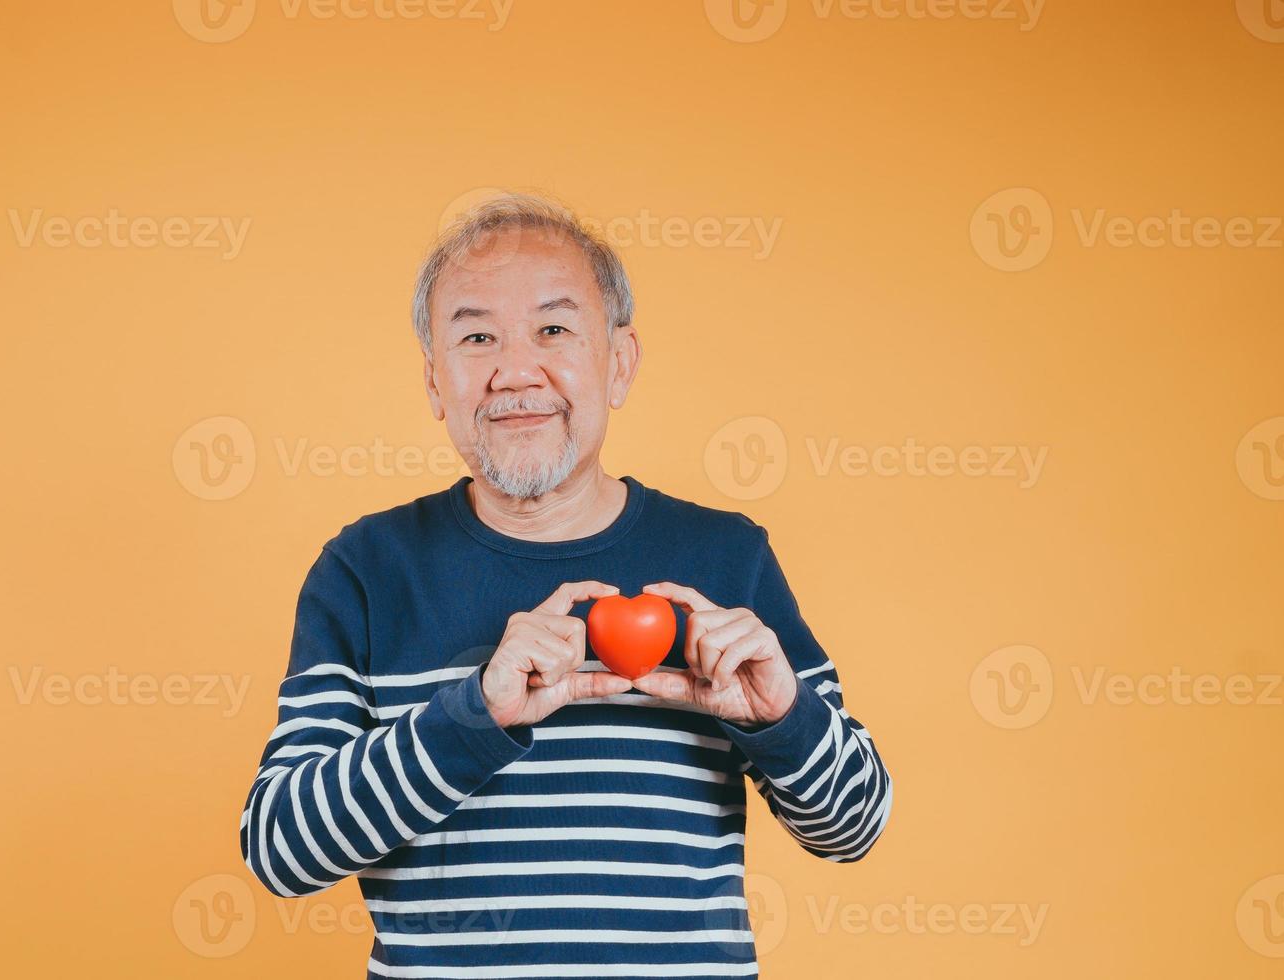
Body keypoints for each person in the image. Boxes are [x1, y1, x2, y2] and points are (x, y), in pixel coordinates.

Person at [238, 192, 893, 978]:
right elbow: (280, 851)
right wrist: (471, 717)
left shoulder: (727, 559)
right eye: (477, 337)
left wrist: (782, 716)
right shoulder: (366, 569)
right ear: (435, 384)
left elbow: (855, 824)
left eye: (554, 329)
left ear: (618, 363)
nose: (516, 371)